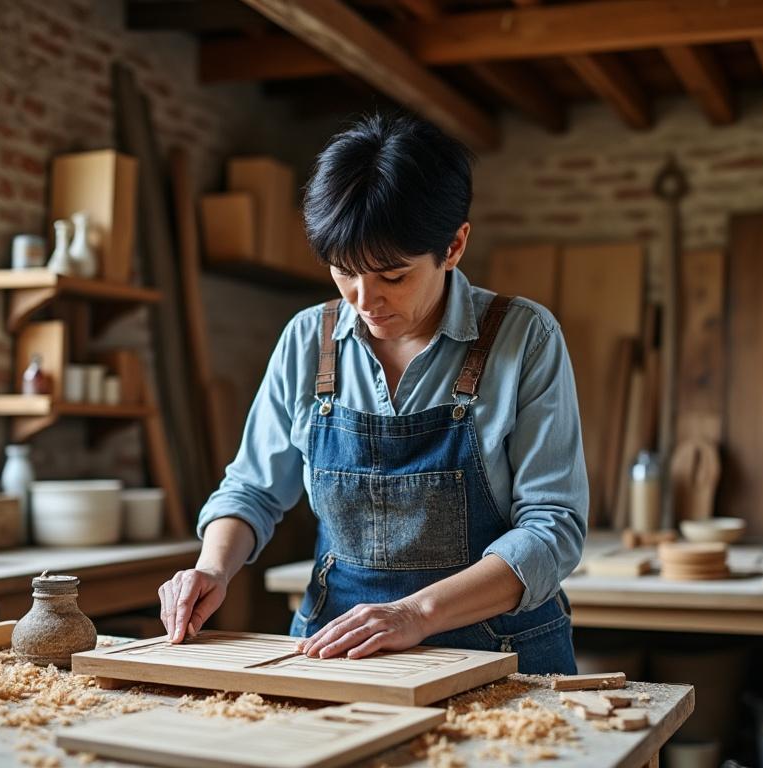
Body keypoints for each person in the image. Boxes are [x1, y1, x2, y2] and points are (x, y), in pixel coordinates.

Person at [158, 113, 587, 674]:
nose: (365, 300)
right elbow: (253, 489)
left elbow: (552, 529)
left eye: (393, 275)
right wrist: (212, 568)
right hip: (339, 651)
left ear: (454, 245)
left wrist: (416, 614)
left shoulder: (525, 337)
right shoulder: (308, 338)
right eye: (344, 272)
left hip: (499, 656)